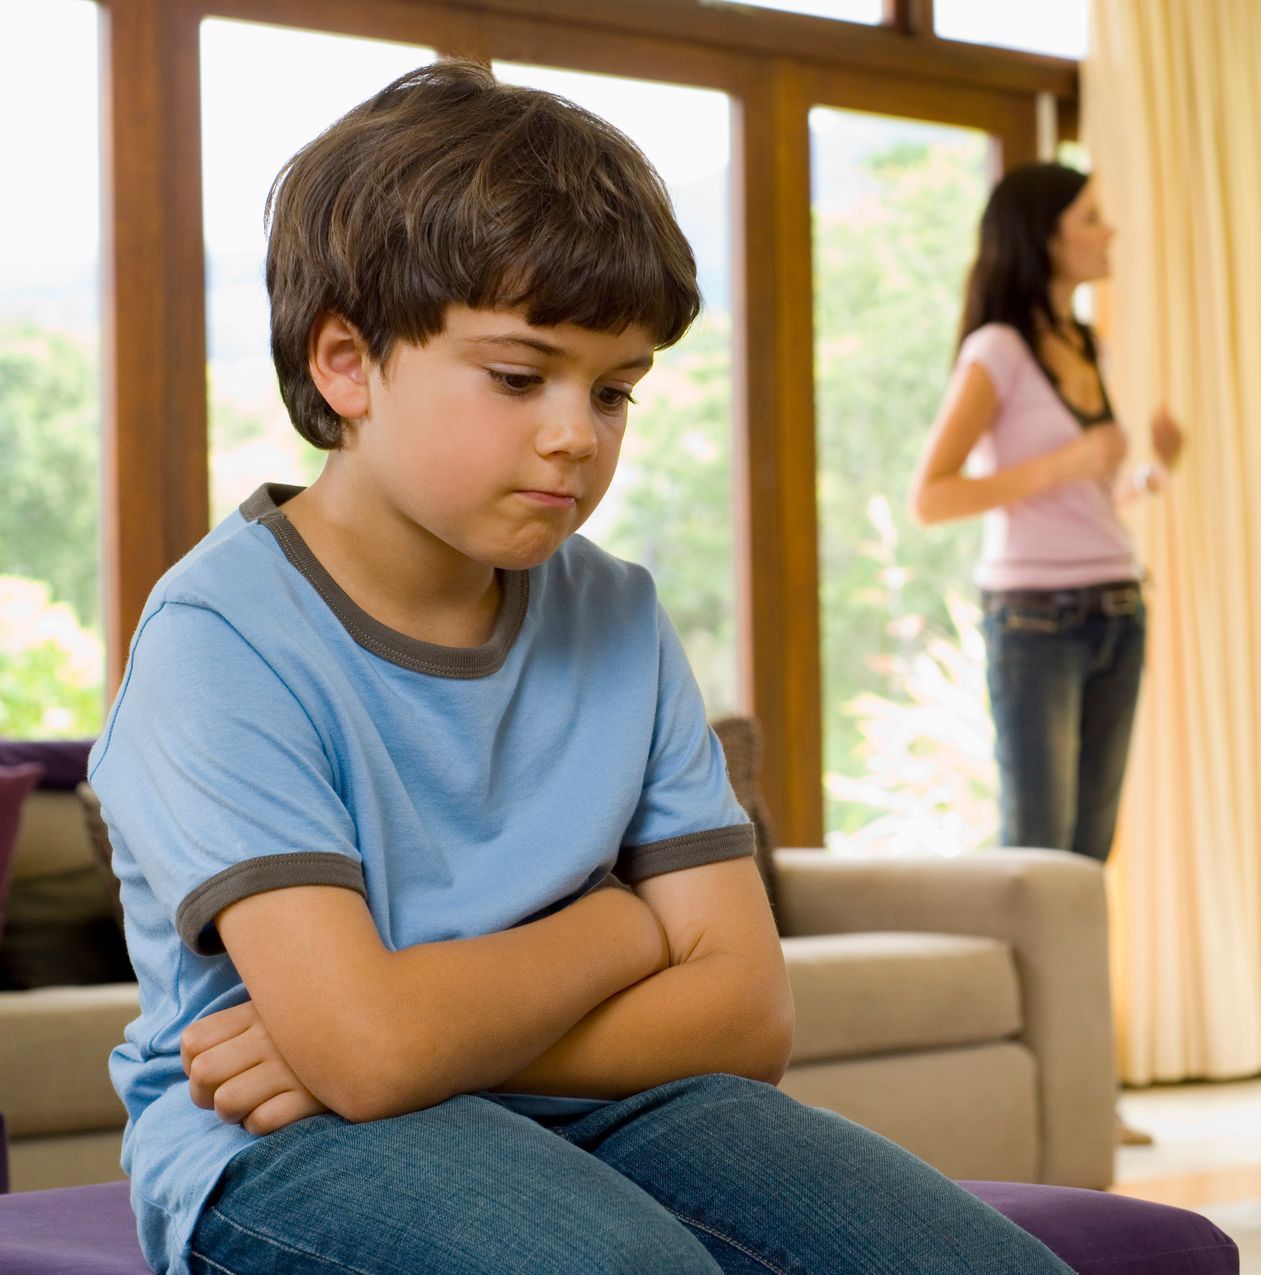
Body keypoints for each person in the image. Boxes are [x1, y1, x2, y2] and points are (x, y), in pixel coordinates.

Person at [88, 61, 1071, 1275]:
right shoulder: (220, 638)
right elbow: (367, 1062)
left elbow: (747, 1016)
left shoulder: (618, 612)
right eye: (519, 376)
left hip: (604, 1107)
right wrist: (615, 931)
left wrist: (412, 1028)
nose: (577, 435)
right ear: (346, 363)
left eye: (615, 391)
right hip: (283, 1137)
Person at [909, 162, 1182, 866]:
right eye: (1090, 218)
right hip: (1035, 619)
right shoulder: (997, 349)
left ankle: (1082, 985)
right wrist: (1069, 462)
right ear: (1045, 239)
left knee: (1093, 853)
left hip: (1119, 608)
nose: (1108, 230)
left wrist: (1153, 473)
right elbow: (932, 495)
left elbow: (1088, 497)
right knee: (1038, 853)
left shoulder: (1093, 345)